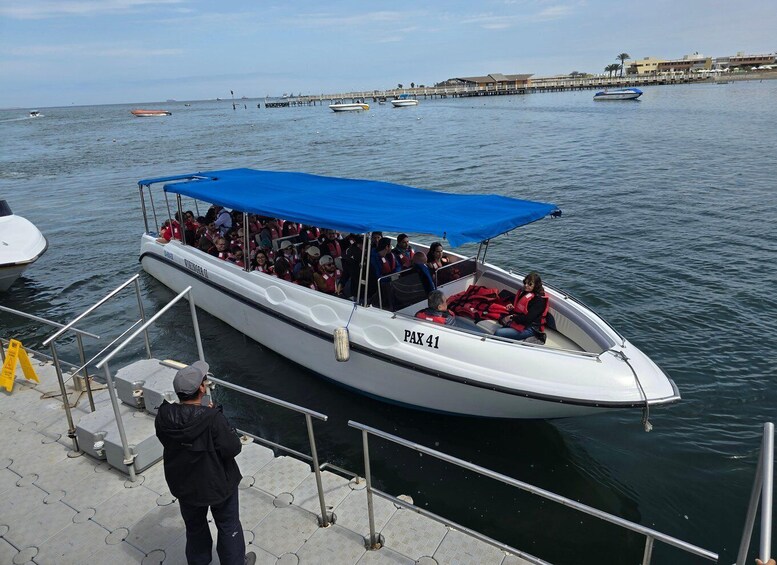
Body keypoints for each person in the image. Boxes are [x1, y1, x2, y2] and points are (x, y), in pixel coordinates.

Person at [154, 361, 256, 565]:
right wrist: (215, 414)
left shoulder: (164, 416)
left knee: (195, 527)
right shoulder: (212, 418)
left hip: (185, 484)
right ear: (201, 388)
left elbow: (167, 440)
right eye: (204, 381)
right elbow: (233, 448)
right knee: (228, 525)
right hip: (218, 483)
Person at [494, 271, 549, 342]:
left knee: (499, 333)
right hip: (521, 323)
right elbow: (523, 310)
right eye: (525, 283)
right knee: (501, 320)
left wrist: (511, 317)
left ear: (536, 285)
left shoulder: (539, 301)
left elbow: (527, 320)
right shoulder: (527, 293)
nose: (526, 285)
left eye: (530, 284)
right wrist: (513, 307)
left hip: (530, 329)